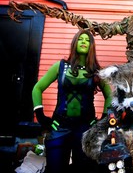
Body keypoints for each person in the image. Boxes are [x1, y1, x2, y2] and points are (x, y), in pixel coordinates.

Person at [32, 30, 112, 173]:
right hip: (59, 126)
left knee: (83, 169)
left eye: (87, 40)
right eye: (80, 39)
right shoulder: (60, 66)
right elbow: (37, 88)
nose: (83, 42)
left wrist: (103, 120)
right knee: (54, 169)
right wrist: (41, 116)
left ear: (91, 46)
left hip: (85, 129)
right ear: (75, 43)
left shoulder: (96, 72)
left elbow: (110, 95)